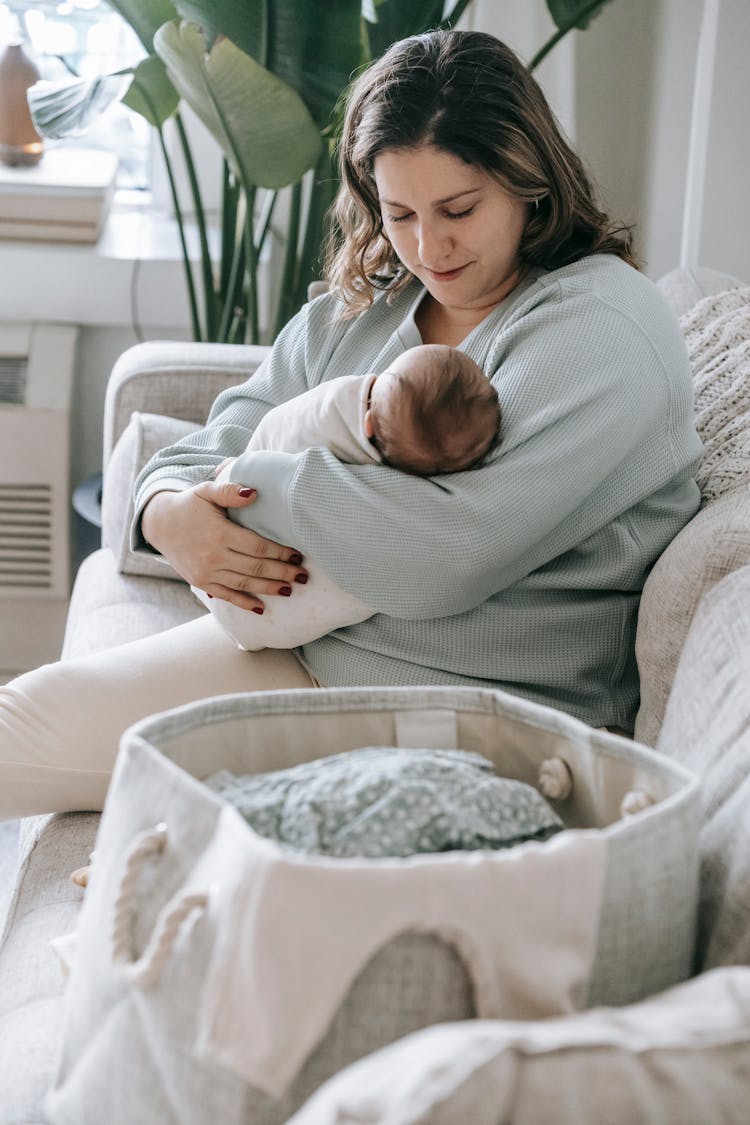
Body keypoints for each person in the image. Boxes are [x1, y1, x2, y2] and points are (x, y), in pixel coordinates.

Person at [0, 28, 702, 819]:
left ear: (528, 180)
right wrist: (168, 515)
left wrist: (247, 486)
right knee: (16, 727)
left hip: (471, 709)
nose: (427, 246)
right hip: (307, 649)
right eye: (398, 212)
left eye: (458, 209)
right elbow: (227, 428)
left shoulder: (601, 327)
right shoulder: (369, 306)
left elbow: (445, 553)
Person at [194, 343, 501, 650]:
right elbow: (227, 428)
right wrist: (163, 506)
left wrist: (242, 469)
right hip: (272, 618)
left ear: (367, 422)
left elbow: (279, 429)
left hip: (258, 607)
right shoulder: (325, 328)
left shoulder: (336, 411)